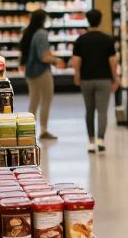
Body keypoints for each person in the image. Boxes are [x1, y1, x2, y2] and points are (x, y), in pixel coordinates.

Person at [70, 9, 119, 153]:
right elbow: (113, 61)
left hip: (86, 79)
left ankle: (91, 142)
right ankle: (101, 140)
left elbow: (76, 60)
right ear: (100, 20)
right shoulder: (107, 40)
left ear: (87, 21)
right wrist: (115, 78)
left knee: (89, 110)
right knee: (102, 111)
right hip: (104, 79)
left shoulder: (80, 40)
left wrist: (77, 75)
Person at [21, 9, 65, 140]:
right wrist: (57, 60)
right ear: (43, 20)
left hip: (30, 72)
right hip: (41, 72)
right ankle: (44, 130)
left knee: (34, 100)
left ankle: (27, 130)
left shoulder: (28, 32)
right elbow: (44, 56)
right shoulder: (41, 34)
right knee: (46, 100)